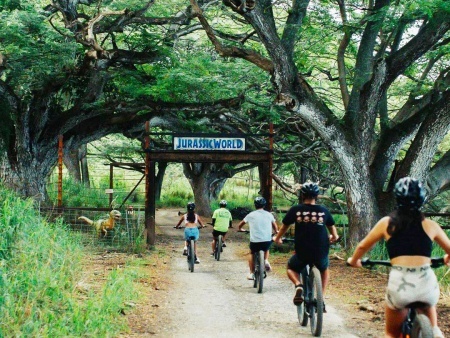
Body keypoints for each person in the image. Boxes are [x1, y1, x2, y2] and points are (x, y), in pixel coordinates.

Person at [347, 177, 450, 338]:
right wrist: (446, 258)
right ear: (421, 199)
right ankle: (435, 331)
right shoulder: (430, 225)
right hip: (426, 282)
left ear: (397, 198)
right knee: (428, 303)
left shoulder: (386, 223)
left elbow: (362, 246)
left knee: (391, 333)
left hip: (401, 284)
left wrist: (354, 261)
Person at [273, 181, 339, 309]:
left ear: (302, 195)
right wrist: (333, 237)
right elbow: (333, 230)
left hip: (302, 251)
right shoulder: (324, 211)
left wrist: (277, 238)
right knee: (324, 269)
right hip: (320, 250)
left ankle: (298, 285)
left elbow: (283, 228)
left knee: (291, 268)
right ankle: (321, 298)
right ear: (317, 196)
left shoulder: (296, 210)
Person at [237, 196, 279, 280]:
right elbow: (275, 226)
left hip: (255, 241)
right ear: (264, 205)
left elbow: (240, 225)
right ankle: (266, 260)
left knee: (251, 253)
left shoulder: (251, 215)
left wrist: (241, 229)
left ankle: (252, 273)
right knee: (266, 248)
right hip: (266, 240)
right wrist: (276, 232)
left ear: (255, 205)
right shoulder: (269, 214)